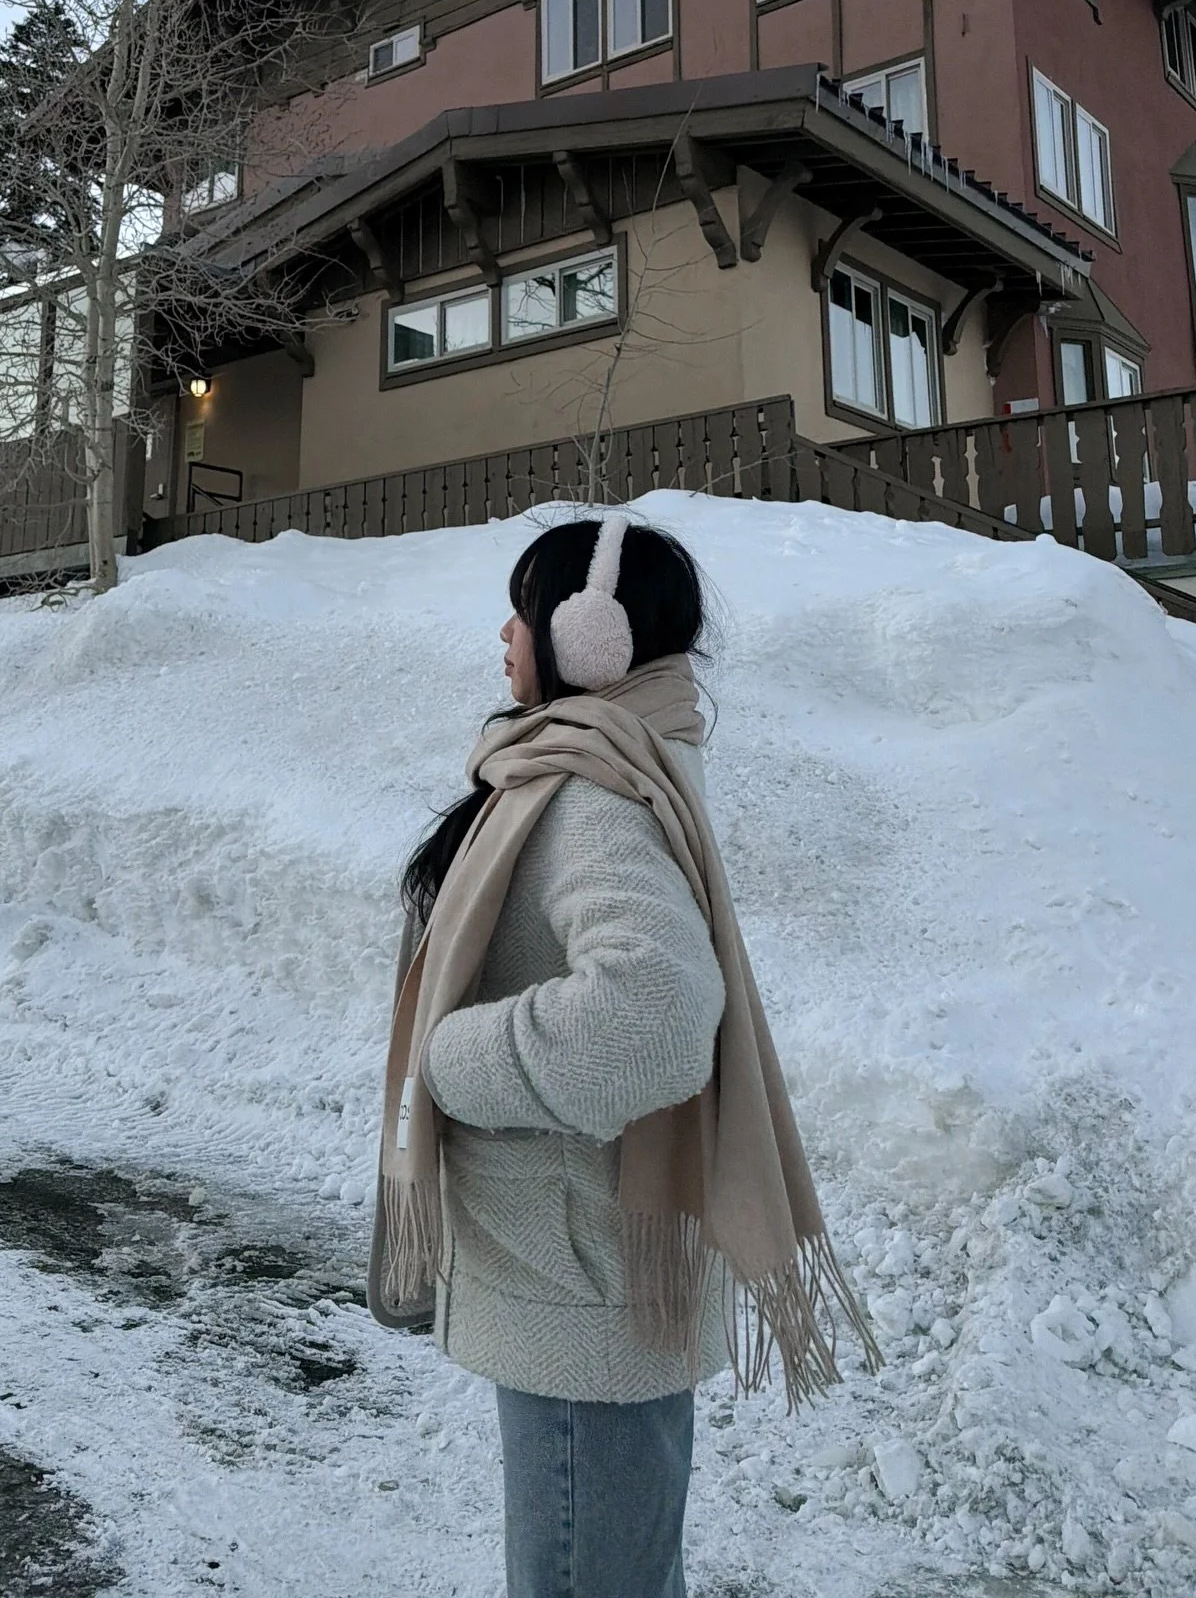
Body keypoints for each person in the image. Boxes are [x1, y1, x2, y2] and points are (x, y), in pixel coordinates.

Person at [369, 511, 879, 1598]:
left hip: (580, 1288)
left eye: (528, 606)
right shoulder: (622, 761)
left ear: (589, 636)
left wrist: (447, 1058)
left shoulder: (591, 793)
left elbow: (649, 1013)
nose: (505, 630)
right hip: (591, 1272)